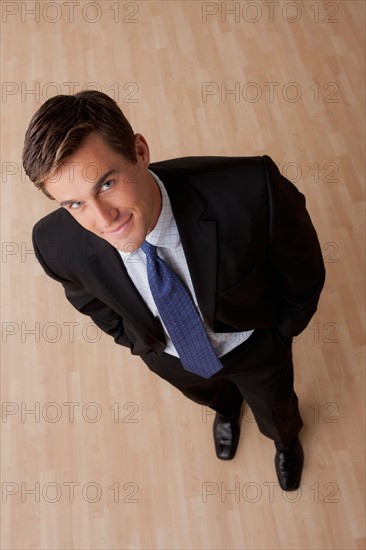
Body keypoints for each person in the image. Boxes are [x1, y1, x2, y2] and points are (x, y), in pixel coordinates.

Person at [22, 91, 325, 491]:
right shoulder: (55, 243)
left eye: (107, 183)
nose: (102, 219)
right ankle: (227, 410)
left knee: (276, 407)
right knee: (212, 395)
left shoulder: (252, 190)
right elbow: (91, 301)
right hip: (172, 357)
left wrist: (282, 332)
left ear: (140, 151)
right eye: (75, 204)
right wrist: (141, 344)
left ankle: (285, 442)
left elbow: (301, 269)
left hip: (254, 344)